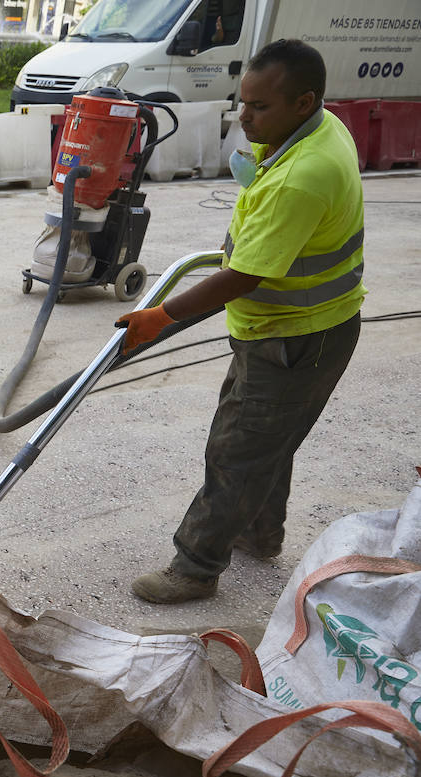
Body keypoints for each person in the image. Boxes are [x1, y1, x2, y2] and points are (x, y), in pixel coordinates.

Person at [116, 39, 364, 604]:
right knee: (268, 439)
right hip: (314, 330)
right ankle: (259, 533)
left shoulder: (303, 175)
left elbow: (245, 276)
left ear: (304, 102)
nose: (243, 117)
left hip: (294, 339)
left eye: (259, 108)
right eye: (242, 102)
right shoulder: (324, 128)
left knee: (237, 449)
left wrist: (161, 315)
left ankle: (196, 568)